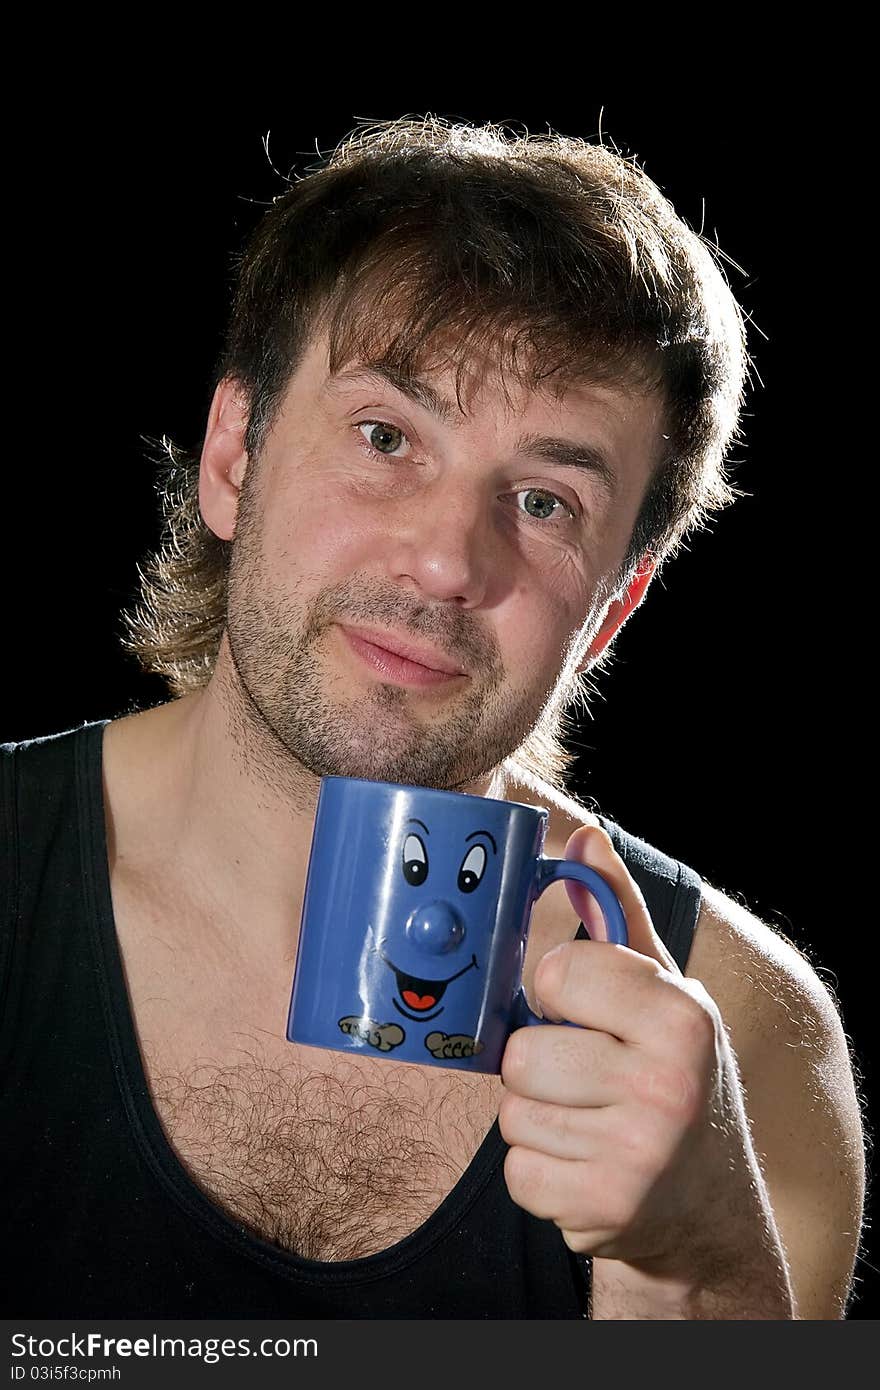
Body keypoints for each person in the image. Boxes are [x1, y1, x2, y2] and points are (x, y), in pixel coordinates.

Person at [1, 116, 866, 1320]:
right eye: (384, 436)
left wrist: (696, 1264)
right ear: (234, 457)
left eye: (543, 500)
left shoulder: (748, 1033)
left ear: (611, 609)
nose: (446, 564)